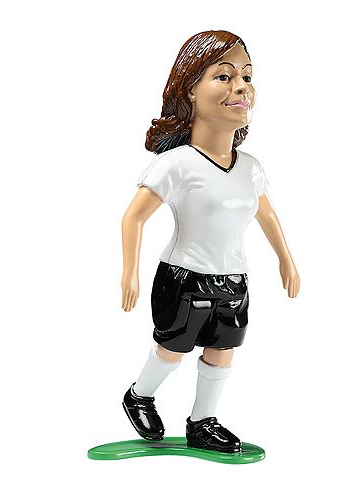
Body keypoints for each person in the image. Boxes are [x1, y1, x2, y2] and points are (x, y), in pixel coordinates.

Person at [120, 30, 300, 454]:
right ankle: (140, 395)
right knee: (172, 349)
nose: (241, 87)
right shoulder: (176, 164)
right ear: (190, 90)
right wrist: (129, 273)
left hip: (233, 278)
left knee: (223, 350)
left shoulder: (249, 167)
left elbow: (265, 213)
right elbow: (134, 217)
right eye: (223, 76)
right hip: (185, 276)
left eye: (246, 76)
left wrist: (286, 259)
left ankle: (203, 422)